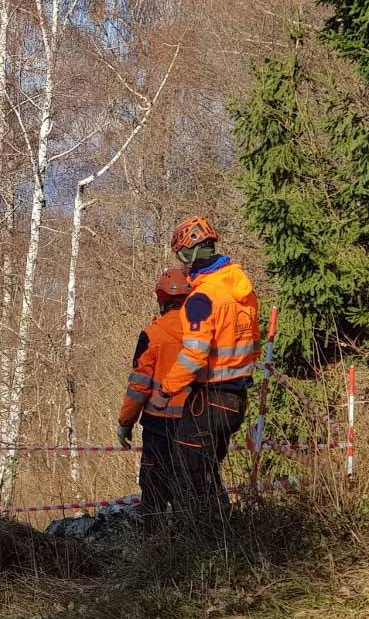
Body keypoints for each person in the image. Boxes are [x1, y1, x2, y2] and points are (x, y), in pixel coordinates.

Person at [156, 217, 260, 518]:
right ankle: (223, 529)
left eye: (181, 256)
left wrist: (166, 390)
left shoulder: (201, 298)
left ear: (188, 253)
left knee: (186, 471)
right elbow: (253, 344)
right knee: (207, 470)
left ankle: (199, 537)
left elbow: (194, 355)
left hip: (211, 398)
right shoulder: (242, 291)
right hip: (237, 398)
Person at [117, 268, 192, 523]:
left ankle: (154, 540)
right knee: (190, 485)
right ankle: (193, 537)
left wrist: (125, 422)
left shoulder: (151, 335)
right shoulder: (203, 334)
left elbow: (138, 386)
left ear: (162, 300)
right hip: (195, 422)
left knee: (154, 489)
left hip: (158, 425)